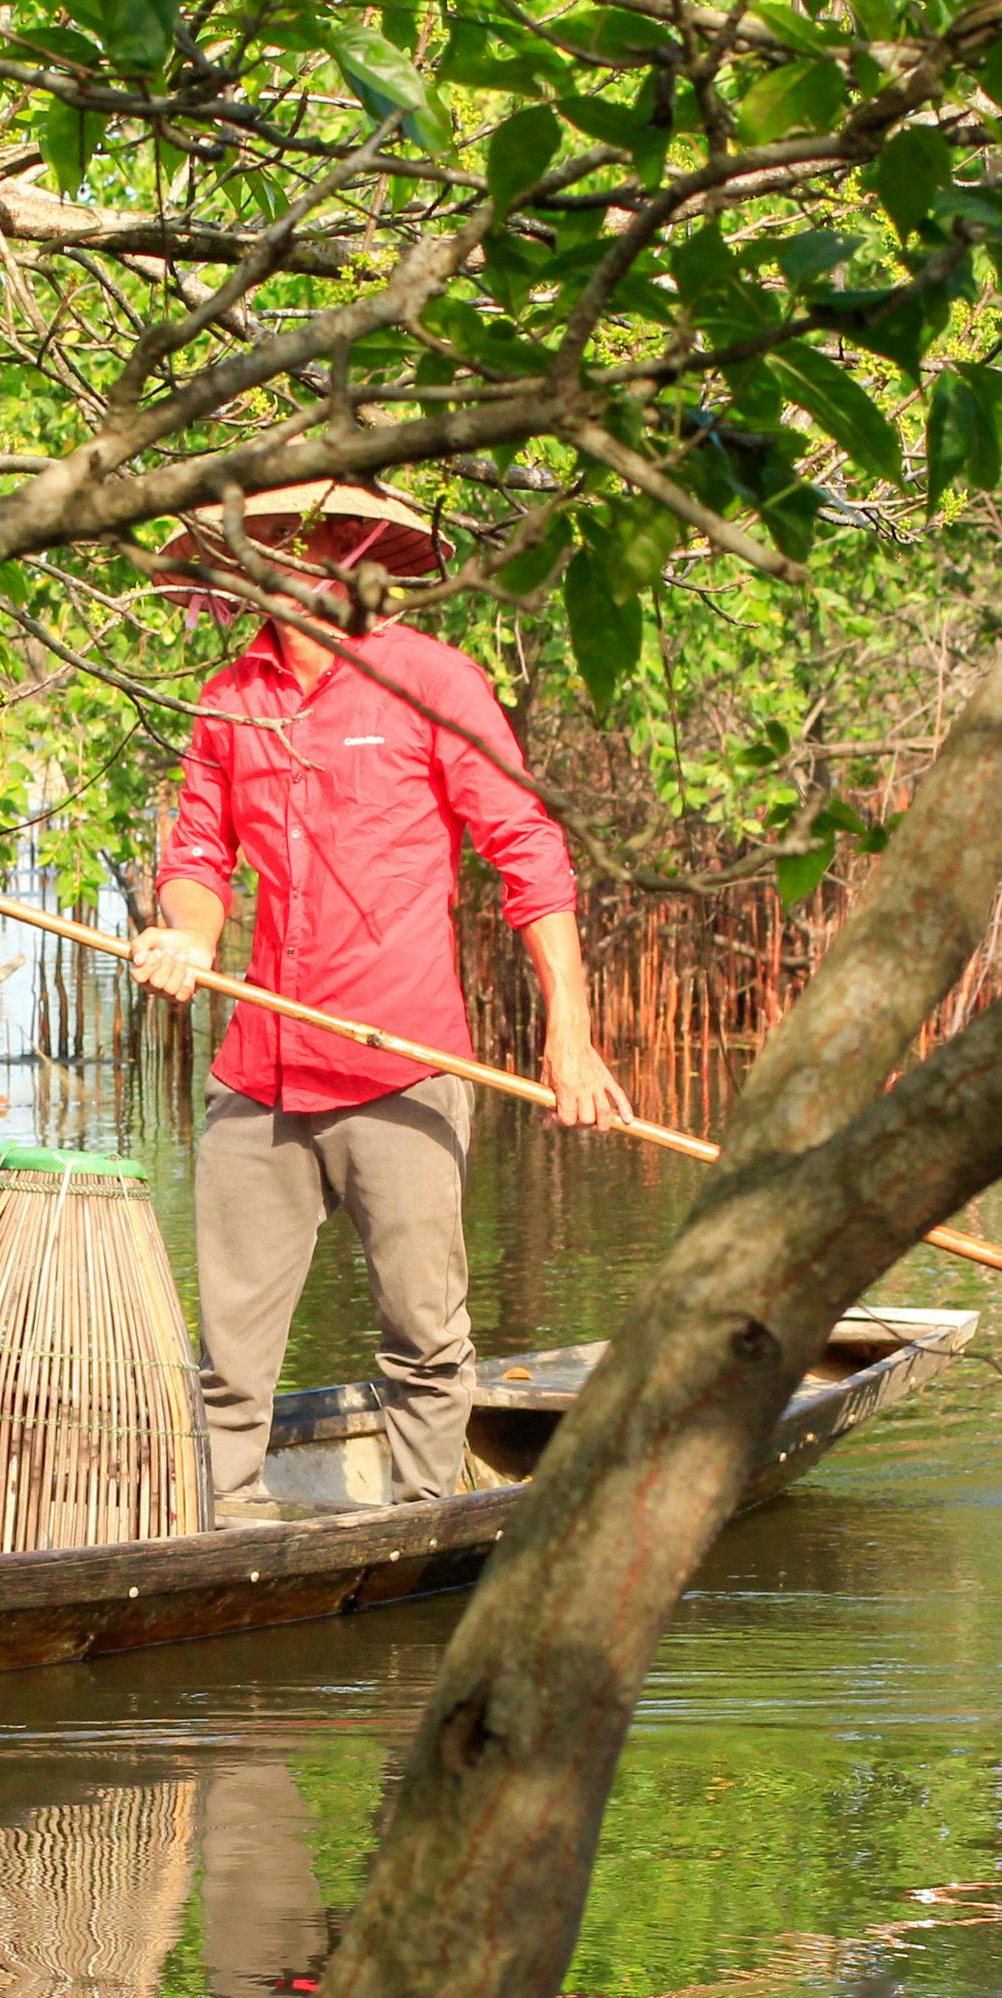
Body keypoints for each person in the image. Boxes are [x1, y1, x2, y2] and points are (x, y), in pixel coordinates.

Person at [133, 478, 631, 1517]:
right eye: (268, 545)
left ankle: (421, 1525)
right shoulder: (228, 698)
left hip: (400, 1064)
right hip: (260, 1070)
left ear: (366, 559)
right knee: (227, 1354)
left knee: (424, 1336)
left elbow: (528, 852)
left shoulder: (433, 683)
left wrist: (571, 1042)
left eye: (320, 544)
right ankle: (226, 1527)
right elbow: (197, 855)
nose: (297, 565)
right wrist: (182, 941)